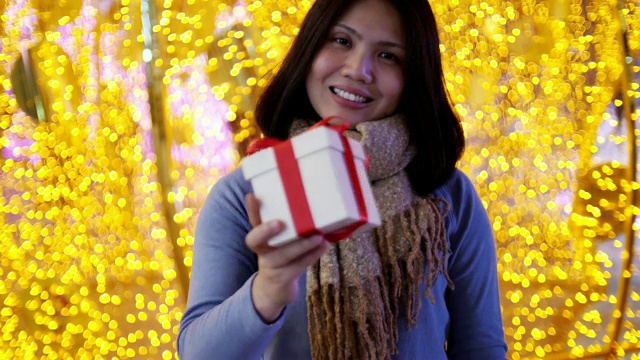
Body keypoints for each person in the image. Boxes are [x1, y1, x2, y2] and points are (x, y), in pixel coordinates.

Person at [177, 0, 508, 358]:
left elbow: (481, 348)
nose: (358, 69)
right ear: (309, 49)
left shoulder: (448, 196)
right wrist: (268, 288)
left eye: (388, 56)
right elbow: (198, 353)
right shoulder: (246, 193)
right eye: (341, 41)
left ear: (413, 77)